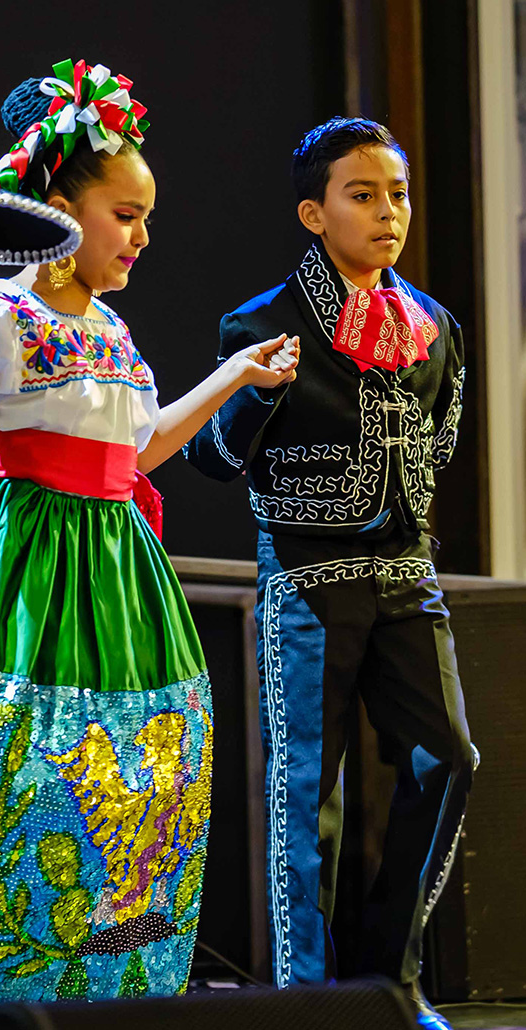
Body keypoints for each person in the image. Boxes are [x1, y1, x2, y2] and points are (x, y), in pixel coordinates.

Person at [0, 61, 299, 1030]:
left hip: (115, 574)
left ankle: (90, 1004)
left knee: (124, 791)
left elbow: (137, 451)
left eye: (144, 218)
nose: (139, 237)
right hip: (14, 565)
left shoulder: (116, 332)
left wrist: (230, 376)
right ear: (54, 207)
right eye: (124, 214)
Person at [185, 117, 476, 1030]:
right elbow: (212, 460)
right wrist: (255, 396)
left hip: (405, 575)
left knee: (450, 761)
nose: (387, 212)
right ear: (315, 213)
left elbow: (443, 438)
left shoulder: (435, 326)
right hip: (310, 578)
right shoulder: (265, 323)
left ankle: (391, 979)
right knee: (308, 798)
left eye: (396, 194)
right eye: (362, 195)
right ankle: (308, 1003)